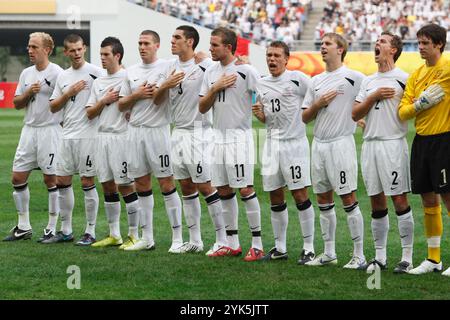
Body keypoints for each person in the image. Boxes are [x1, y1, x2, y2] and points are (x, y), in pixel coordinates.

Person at [154, 25, 228, 255]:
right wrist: (165, 85)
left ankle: (222, 239)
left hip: (199, 132)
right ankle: (195, 240)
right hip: (178, 132)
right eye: (172, 37)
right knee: (185, 185)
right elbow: (157, 101)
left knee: (205, 185)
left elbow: (226, 71)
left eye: (177, 38)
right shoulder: (169, 67)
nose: (172, 41)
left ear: (190, 42)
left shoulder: (205, 66)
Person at [302, 33, 366, 269]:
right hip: (318, 144)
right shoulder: (315, 81)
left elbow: (369, 101)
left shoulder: (354, 77)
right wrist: (318, 104)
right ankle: (329, 252)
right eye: (321, 44)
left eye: (327, 44)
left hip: (341, 144)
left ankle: (359, 255)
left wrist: (363, 119)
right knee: (323, 199)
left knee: (348, 197)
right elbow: (304, 117)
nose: (322, 47)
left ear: (340, 49)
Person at [199, 27, 264, 261]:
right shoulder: (210, 72)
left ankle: (257, 244)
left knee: (245, 188)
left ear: (228, 47)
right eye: (210, 44)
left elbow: (263, 97)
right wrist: (215, 88)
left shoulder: (247, 71)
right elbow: (202, 107)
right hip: (218, 137)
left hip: (239, 138)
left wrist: (261, 111)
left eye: (214, 45)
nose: (210, 49)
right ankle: (232, 243)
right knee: (224, 190)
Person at [352, 32, 414, 273]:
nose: (377, 44)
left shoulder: (404, 79)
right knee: (376, 200)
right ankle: (380, 257)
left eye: (383, 42)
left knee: (399, 199)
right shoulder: (368, 81)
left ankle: (407, 257)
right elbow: (355, 114)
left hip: (393, 144)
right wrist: (373, 96)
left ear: (394, 50)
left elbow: (413, 107)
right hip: (370, 145)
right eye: (376, 41)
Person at [118, 30, 184, 252]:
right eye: (139, 43)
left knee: (166, 182)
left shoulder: (167, 66)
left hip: (158, 132)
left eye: (146, 43)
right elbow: (121, 104)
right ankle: (147, 238)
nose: (142, 47)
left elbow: (194, 57)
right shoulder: (132, 72)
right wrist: (136, 95)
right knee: (142, 184)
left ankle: (177, 238)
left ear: (157, 45)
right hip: (135, 133)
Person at [252, 41, 316, 263]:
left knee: (299, 194)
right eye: (269, 55)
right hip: (271, 145)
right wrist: (260, 117)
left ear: (286, 59)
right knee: (275, 195)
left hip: (294, 144)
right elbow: (265, 115)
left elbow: (315, 98)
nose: (272, 59)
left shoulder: (297, 79)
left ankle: (309, 247)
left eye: (277, 55)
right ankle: (280, 248)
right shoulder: (261, 84)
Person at [398, 24, 450, 276]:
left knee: (449, 199)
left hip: (445, 140)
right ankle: (434, 259)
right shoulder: (415, 74)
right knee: (428, 200)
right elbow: (403, 111)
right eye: (418, 43)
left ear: (439, 44)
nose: (420, 47)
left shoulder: (448, 69)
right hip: (421, 140)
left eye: (425, 43)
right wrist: (421, 103)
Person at [45, 34, 104, 245]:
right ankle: (66, 229)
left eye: (80, 49)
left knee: (87, 181)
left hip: (88, 135)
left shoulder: (96, 73)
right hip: (66, 135)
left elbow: (113, 87)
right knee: (62, 181)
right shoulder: (63, 76)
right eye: (72, 50)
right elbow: (53, 106)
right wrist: (69, 92)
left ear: (84, 48)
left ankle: (90, 231)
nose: (77, 53)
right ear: (66, 52)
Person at [4, 32, 63, 242]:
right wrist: (29, 92)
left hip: (50, 130)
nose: (30, 50)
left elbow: (64, 102)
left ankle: (51, 227)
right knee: (17, 177)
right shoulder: (26, 74)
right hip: (29, 130)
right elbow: (17, 103)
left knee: (51, 179)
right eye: (29, 47)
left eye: (34, 47)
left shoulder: (57, 73)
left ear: (47, 49)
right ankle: (23, 226)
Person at [86, 37, 141, 250]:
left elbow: (140, 101)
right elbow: (89, 113)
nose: (102, 58)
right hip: (102, 138)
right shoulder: (98, 82)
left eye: (106, 54)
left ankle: (134, 235)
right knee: (107, 185)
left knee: (126, 185)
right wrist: (104, 100)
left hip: (122, 137)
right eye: (101, 54)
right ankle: (114, 234)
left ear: (117, 56)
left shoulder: (127, 77)